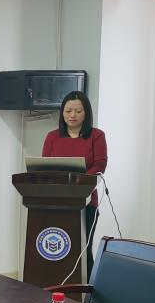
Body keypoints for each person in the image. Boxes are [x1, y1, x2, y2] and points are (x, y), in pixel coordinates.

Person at [42, 91, 107, 278]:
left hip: (85, 202)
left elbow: (100, 164)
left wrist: (79, 183)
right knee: (56, 250)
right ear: (62, 112)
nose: (72, 115)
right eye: (68, 110)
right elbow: (44, 166)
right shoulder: (52, 137)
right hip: (55, 202)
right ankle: (55, 284)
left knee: (83, 250)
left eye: (78, 111)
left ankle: (87, 290)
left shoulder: (96, 135)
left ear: (86, 113)